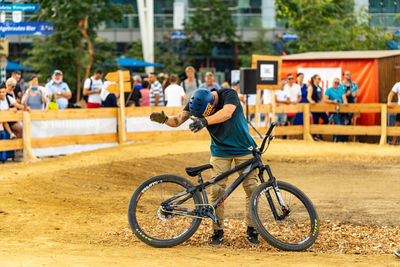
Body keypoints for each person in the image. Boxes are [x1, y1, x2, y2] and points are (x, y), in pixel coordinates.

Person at [149, 88, 260, 246]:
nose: (203, 117)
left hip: (244, 148)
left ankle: (252, 229)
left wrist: (205, 121)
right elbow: (178, 120)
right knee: (217, 189)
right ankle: (217, 231)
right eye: (201, 116)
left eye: (205, 114)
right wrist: (164, 119)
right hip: (220, 150)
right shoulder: (195, 102)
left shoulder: (228, 94)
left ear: (211, 104)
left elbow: (227, 113)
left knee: (252, 187)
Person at [323, 78, 348, 142]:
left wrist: (345, 101)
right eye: (335, 82)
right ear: (332, 82)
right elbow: (325, 100)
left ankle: (341, 141)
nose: (336, 84)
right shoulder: (328, 90)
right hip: (333, 111)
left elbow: (344, 98)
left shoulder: (341, 90)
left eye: (338, 83)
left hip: (342, 110)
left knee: (344, 124)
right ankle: (336, 140)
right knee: (338, 124)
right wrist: (332, 101)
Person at [307, 74, 328, 141]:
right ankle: (314, 136)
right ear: (314, 79)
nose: (319, 80)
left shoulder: (319, 87)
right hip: (314, 107)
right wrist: (311, 101)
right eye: (318, 78)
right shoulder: (311, 87)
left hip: (319, 107)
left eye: (320, 78)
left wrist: (322, 103)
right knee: (315, 121)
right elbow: (308, 97)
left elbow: (321, 98)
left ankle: (318, 133)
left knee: (326, 119)